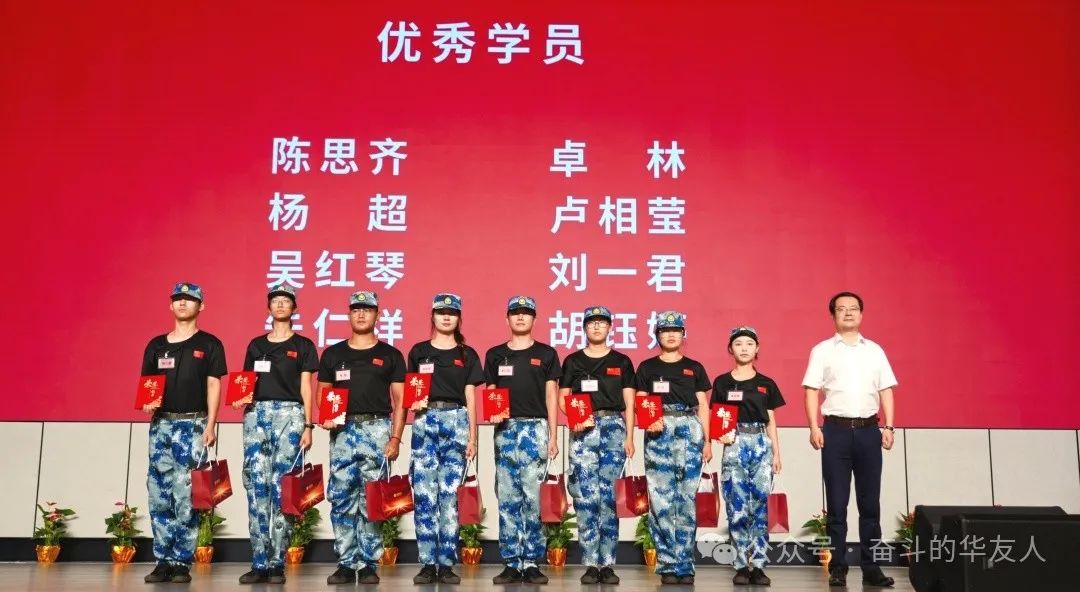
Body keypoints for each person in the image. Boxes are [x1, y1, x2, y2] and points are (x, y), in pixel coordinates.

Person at [803, 292, 897, 588]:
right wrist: (813, 427)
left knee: (870, 505)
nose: (848, 313)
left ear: (861, 314)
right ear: (833, 315)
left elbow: (886, 389)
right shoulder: (822, 350)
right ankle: (838, 567)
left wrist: (890, 426)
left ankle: (872, 567)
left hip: (869, 431)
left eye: (853, 308)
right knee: (837, 505)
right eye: (841, 309)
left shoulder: (875, 351)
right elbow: (811, 390)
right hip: (835, 432)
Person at [318, 290, 407, 585]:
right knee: (341, 498)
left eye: (367, 309)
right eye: (356, 309)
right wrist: (327, 415)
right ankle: (346, 563)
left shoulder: (390, 355)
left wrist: (395, 438)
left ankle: (369, 563)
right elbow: (322, 393)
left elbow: (400, 401)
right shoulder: (333, 354)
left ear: (377, 315)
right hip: (343, 431)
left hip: (377, 429)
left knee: (373, 498)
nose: (361, 314)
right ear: (349, 314)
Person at [140, 282, 226, 584]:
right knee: (159, 492)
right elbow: (148, 384)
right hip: (162, 425)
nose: (182, 303)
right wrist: (147, 403)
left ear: (201, 306)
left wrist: (211, 424)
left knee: (188, 494)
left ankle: (181, 562)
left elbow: (214, 385)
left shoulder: (210, 344)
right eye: (178, 299)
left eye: (189, 299)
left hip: (194, 424)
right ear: (170, 305)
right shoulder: (156, 345)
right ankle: (162, 560)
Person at [236, 284, 318, 585]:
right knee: (257, 487)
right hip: (256, 415)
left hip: (291, 416)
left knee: (283, 488)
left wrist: (308, 425)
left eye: (286, 301)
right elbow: (246, 382)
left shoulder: (304, 345)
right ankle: (259, 561)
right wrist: (240, 398)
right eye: (276, 301)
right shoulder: (256, 345)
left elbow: (306, 387)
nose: (281, 305)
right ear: (269, 308)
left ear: (294, 308)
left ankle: (276, 564)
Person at [484, 296, 561, 585]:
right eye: (515, 313)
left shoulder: (546, 353)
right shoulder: (495, 354)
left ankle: (531, 562)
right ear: (507, 319)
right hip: (505, 429)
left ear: (534, 319)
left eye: (526, 313)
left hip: (536, 428)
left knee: (534, 497)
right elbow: (491, 391)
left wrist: (553, 435)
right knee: (507, 497)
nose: (520, 317)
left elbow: (551, 395)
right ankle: (511, 562)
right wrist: (492, 414)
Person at [407, 293, 483, 585]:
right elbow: (411, 391)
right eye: (441, 312)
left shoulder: (467, 354)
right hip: (425, 422)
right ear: (433, 316)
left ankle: (447, 563)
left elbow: (470, 398)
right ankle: (427, 563)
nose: (446, 316)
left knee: (450, 497)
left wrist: (473, 437)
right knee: (425, 495)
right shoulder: (419, 352)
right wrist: (412, 406)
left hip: (456, 422)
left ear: (459, 317)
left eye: (452, 312)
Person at [558, 306, 636, 585]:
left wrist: (629, 437)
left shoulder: (622, 361)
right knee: (585, 497)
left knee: (610, 498)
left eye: (602, 322)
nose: (597, 326)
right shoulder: (573, 361)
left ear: (610, 327)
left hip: (613, 428)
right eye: (591, 322)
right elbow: (563, 397)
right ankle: (591, 563)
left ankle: (608, 563)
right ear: (584, 327)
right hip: (584, 431)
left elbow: (630, 402)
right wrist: (575, 418)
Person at [633, 311, 711, 585]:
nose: (671, 334)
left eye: (676, 330)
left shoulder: (694, 367)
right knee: (661, 500)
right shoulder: (647, 367)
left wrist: (707, 441)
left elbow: (703, 406)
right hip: (659, 431)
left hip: (690, 430)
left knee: (687, 499)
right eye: (665, 330)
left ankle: (685, 564)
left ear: (683, 334)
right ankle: (667, 564)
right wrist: (648, 420)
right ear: (657, 335)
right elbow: (640, 399)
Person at [712, 326, 784, 586]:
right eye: (739, 343)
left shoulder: (766, 384)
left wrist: (776, 453)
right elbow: (718, 415)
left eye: (749, 344)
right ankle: (741, 564)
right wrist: (721, 435)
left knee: (761, 506)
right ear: (730, 349)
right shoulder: (722, 382)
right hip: (735, 443)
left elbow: (771, 421)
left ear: (757, 349)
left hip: (761, 444)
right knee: (737, 506)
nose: (744, 348)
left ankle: (760, 565)